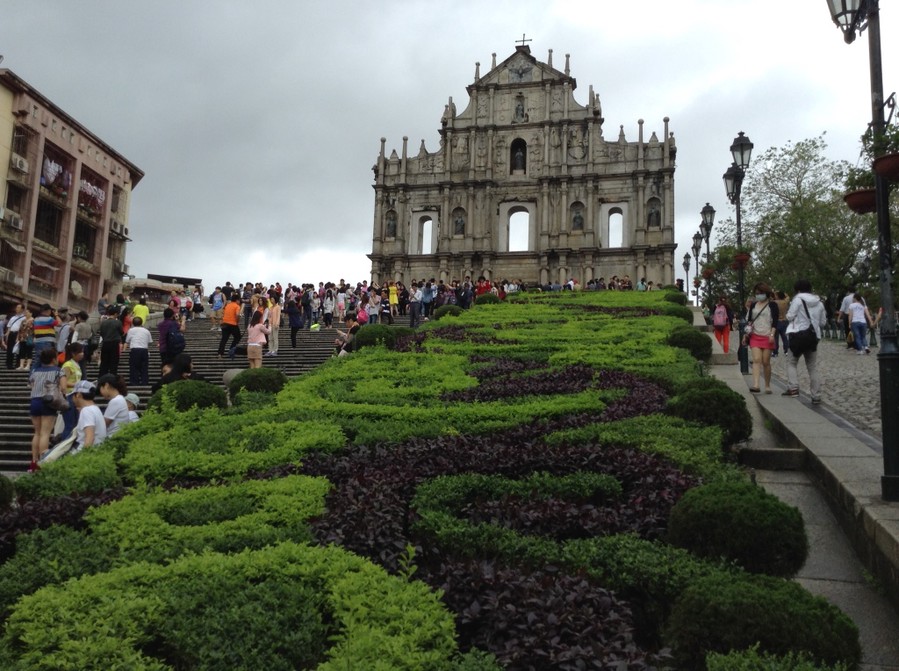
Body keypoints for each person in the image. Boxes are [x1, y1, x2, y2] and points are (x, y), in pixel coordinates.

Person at [783, 279, 828, 403]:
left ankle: (793, 388)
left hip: (798, 335)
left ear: (797, 290)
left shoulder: (797, 300)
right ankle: (816, 395)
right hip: (813, 337)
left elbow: (790, 316)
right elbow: (823, 322)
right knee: (812, 366)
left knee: (792, 362)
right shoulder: (819, 303)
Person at [28, 347, 65, 470]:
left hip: (35, 401)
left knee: (37, 433)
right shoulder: (59, 371)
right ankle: (42, 462)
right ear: (54, 358)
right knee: (45, 433)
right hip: (49, 402)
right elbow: (64, 387)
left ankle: (33, 461)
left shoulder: (35, 371)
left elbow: (31, 385)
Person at [743, 282, 779, 394]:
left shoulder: (772, 305)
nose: (758, 295)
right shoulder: (754, 305)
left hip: (768, 336)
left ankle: (767, 385)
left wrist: (772, 335)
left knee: (766, 361)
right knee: (756, 360)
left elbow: (775, 322)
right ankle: (756, 385)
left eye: (761, 293)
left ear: (766, 293)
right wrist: (746, 334)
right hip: (755, 335)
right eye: (757, 293)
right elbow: (749, 320)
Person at [69, 380, 106, 454]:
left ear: (78, 395)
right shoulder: (95, 408)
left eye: (73, 395)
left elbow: (90, 437)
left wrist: (84, 456)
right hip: (97, 451)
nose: (72, 399)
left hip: (83, 452)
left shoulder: (87, 411)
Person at [124, 315, 153, 385]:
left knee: (134, 367)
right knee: (144, 367)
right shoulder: (146, 331)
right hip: (144, 350)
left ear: (133, 323)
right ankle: (144, 381)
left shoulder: (131, 330)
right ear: (141, 323)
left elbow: (127, 340)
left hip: (135, 350)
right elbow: (150, 342)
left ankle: (134, 382)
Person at [97, 304, 124, 377]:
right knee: (113, 363)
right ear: (115, 314)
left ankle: (102, 378)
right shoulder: (118, 322)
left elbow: (101, 333)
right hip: (114, 344)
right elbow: (122, 332)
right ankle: (112, 378)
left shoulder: (103, 322)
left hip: (105, 343)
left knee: (104, 363)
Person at [217, 294, 242, 358]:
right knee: (238, 337)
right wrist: (237, 321)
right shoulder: (237, 306)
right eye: (239, 300)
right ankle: (231, 349)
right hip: (233, 324)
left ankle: (220, 353)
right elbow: (237, 315)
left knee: (224, 339)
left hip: (225, 323)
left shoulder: (228, 305)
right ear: (237, 300)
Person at [5, 303, 25, 370]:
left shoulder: (24, 318)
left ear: (22, 309)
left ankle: (17, 364)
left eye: (18, 307)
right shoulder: (13, 317)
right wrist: (7, 335)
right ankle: (9, 364)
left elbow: (23, 328)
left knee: (18, 349)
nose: (17, 309)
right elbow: (9, 327)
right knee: (9, 349)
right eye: (16, 307)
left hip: (18, 334)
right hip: (11, 334)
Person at [772, 291, 790, 357]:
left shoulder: (775, 302)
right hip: (784, 320)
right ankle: (786, 351)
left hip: (776, 321)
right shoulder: (785, 302)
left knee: (775, 338)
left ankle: (775, 352)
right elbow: (788, 297)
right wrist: (784, 294)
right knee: (784, 337)